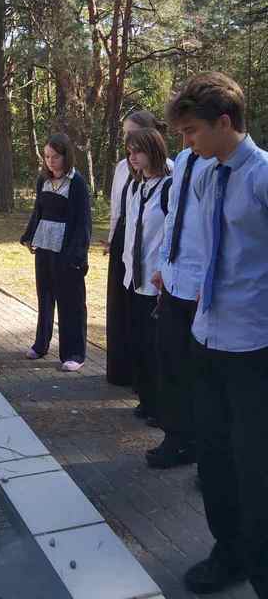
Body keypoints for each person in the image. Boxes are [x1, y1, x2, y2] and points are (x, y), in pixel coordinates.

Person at [167, 72, 268, 598]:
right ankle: (227, 552)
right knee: (215, 458)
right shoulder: (207, 175)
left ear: (224, 123)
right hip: (206, 338)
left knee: (256, 468)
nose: (186, 144)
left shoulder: (263, 177)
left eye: (190, 132)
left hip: (254, 348)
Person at [147, 145, 214, 469]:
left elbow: (220, 228)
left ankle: (205, 449)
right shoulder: (186, 160)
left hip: (204, 289)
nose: (185, 137)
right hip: (175, 281)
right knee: (170, 361)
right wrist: (163, 263)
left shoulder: (224, 165)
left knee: (201, 373)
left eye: (191, 128)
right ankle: (176, 438)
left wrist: (210, 282)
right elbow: (173, 216)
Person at [105, 110, 169, 386]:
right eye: (125, 137)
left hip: (153, 255)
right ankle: (126, 372)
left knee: (149, 323)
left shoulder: (169, 174)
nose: (129, 147)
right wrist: (111, 239)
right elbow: (117, 210)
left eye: (132, 135)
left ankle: (149, 385)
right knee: (124, 314)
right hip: (126, 246)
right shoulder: (125, 172)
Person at [20, 133, 91, 371]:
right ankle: (41, 344)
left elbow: (83, 222)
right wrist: (29, 235)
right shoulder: (43, 180)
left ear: (66, 156)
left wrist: (77, 254)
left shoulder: (77, 182)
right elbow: (38, 211)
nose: (50, 161)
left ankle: (74, 353)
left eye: (55, 156)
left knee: (71, 302)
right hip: (45, 247)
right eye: (47, 156)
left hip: (68, 251)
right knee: (45, 297)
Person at [122, 128, 172, 426]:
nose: (133, 157)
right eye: (129, 152)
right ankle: (146, 399)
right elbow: (132, 231)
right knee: (139, 343)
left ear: (152, 149)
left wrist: (164, 271)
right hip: (134, 278)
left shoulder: (169, 187)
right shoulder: (135, 187)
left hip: (156, 282)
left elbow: (171, 234)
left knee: (157, 349)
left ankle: (161, 406)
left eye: (137, 151)